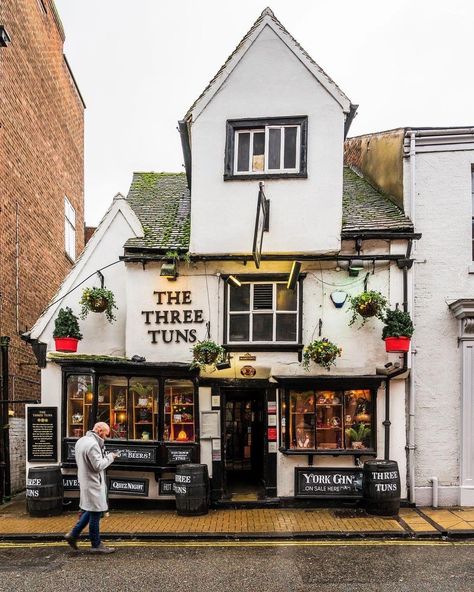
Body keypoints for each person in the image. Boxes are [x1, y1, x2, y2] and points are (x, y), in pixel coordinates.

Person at [64, 422, 118, 553]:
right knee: (95, 512)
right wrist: (111, 457)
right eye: (105, 434)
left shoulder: (81, 440)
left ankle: (73, 534)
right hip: (93, 483)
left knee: (91, 509)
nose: (106, 437)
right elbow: (98, 466)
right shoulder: (93, 444)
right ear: (99, 431)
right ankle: (96, 544)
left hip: (85, 481)